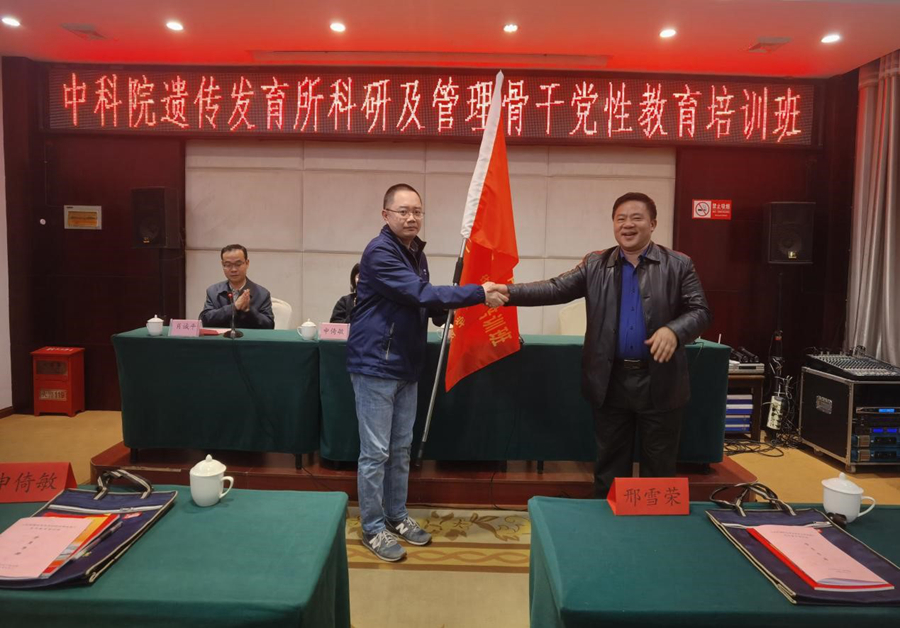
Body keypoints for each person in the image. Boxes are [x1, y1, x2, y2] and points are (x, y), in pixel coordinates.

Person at [497, 192, 711, 498]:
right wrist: (507, 293)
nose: (627, 225)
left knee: (659, 467)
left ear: (652, 224)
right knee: (609, 466)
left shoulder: (679, 264)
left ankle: (656, 525)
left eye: (636, 218)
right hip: (610, 380)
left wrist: (675, 331)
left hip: (660, 380)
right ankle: (608, 522)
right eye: (620, 218)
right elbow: (554, 288)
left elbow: (700, 311)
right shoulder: (595, 264)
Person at [347, 183, 508, 562]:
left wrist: (448, 306)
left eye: (417, 211)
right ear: (385, 215)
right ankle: (372, 527)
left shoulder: (416, 253)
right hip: (376, 364)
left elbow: (423, 303)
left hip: (407, 363)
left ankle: (396, 515)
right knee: (376, 453)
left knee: (400, 448)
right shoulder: (380, 251)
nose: (411, 217)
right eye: (403, 211)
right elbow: (418, 293)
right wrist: (475, 293)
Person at [199, 244, 275, 329]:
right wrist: (234, 307)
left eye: (238, 264)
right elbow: (205, 321)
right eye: (228, 265)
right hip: (222, 337)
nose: (233, 269)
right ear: (222, 264)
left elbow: (269, 326)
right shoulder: (213, 291)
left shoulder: (262, 294)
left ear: (247, 263)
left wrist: (249, 310)